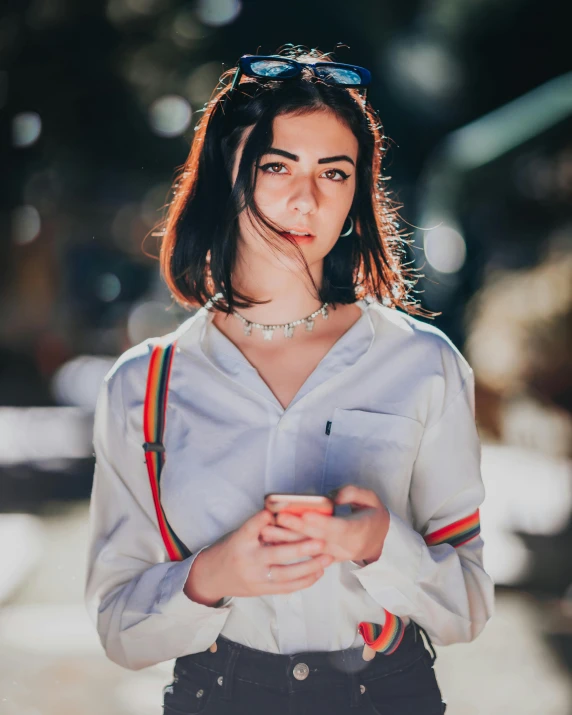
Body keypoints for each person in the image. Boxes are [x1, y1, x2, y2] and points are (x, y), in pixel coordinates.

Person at [84, 45, 495, 715]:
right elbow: (118, 628)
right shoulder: (144, 385)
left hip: (386, 695)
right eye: (276, 165)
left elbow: (468, 608)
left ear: (355, 196)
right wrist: (214, 574)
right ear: (226, 174)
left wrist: (376, 542)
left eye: (334, 173)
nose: (304, 199)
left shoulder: (425, 364)